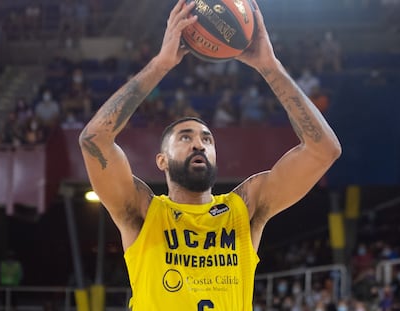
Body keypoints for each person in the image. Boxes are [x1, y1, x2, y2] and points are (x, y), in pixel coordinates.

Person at [79, 0, 341, 310]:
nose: (199, 144)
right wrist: (161, 64)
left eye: (207, 139)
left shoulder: (244, 209)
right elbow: (94, 140)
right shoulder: (144, 213)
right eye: (185, 137)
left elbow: (324, 150)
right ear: (161, 160)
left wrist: (270, 68)